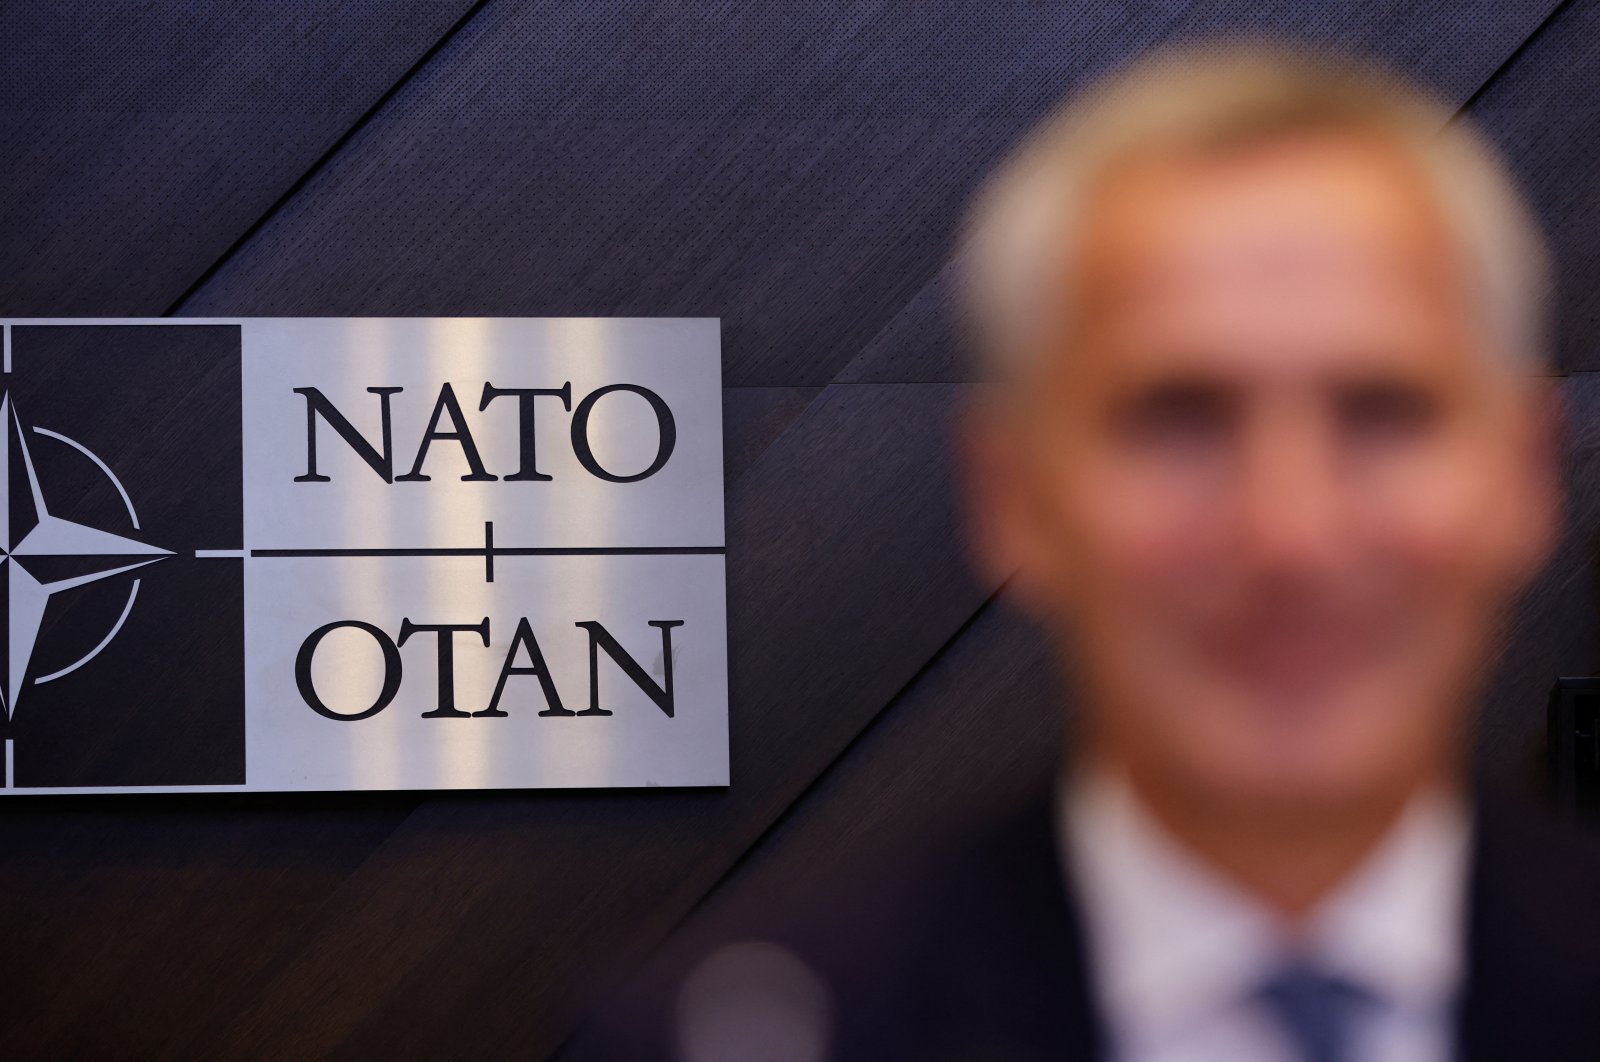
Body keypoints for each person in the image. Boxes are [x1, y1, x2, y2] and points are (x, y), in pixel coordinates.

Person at [571, 40, 1600, 1061]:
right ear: (1015, 496)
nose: (1290, 534)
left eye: (1382, 412)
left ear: (1520, 473)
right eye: (1178, 419)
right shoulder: (735, 1039)